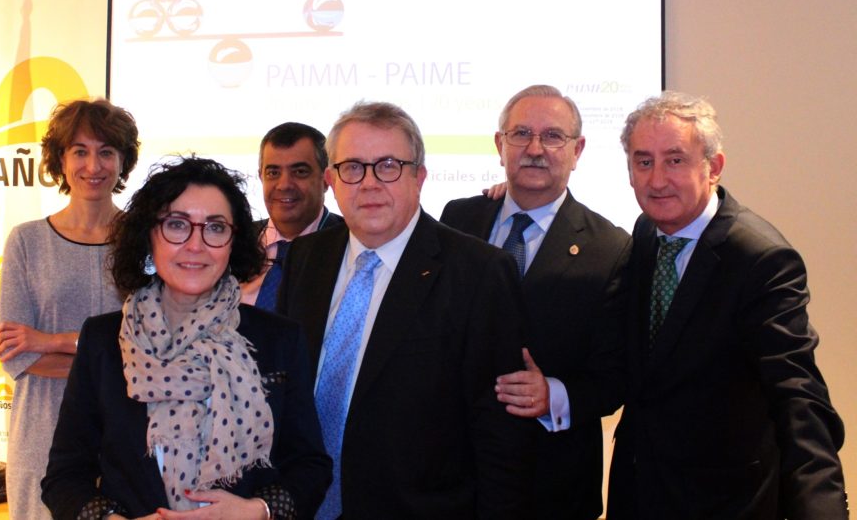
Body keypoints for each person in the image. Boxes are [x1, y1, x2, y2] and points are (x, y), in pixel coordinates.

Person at [276, 101, 536, 519]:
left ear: (419, 177)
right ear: (331, 181)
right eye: (353, 167)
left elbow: (500, 435)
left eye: (388, 166)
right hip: (301, 505)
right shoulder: (305, 257)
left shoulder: (479, 272)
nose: (370, 183)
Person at [41, 156, 331, 520]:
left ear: (233, 242)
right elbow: (64, 476)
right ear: (148, 238)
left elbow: (309, 466)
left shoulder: (279, 340)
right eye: (177, 225)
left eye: (215, 227)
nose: (196, 245)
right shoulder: (102, 340)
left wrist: (257, 511)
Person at [607, 91, 847, 519]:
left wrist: (821, 509)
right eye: (643, 162)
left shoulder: (760, 258)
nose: (657, 180)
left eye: (675, 160)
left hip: (723, 503)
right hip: (640, 494)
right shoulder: (647, 232)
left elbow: (798, 395)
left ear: (713, 167)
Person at [440, 84, 630, 520]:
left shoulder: (611, 248)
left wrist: (554, 395)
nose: (535, 149)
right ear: (499, 145)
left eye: (553, 136)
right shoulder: (458, 218)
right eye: (521, 133)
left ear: (578, 150)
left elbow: (616, 373)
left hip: (551, 485)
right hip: (453, 479)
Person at [0, 98, 140, 520]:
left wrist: (50, 340)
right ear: (60, 160)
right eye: (80, 151)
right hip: (43, 429)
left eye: (106, 151)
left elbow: (150, 345)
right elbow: (17, 354)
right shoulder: (26, 241)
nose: (93, 165)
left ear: (122, 161)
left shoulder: (146, 240)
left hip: (131, 426)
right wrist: (106, 359)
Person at [240, 122, 343, 309]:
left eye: (300, 172)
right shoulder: (235, 241)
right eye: (273, 173)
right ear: (261, 177)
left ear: (327, 179)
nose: (284, 185)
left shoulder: (350, 245)